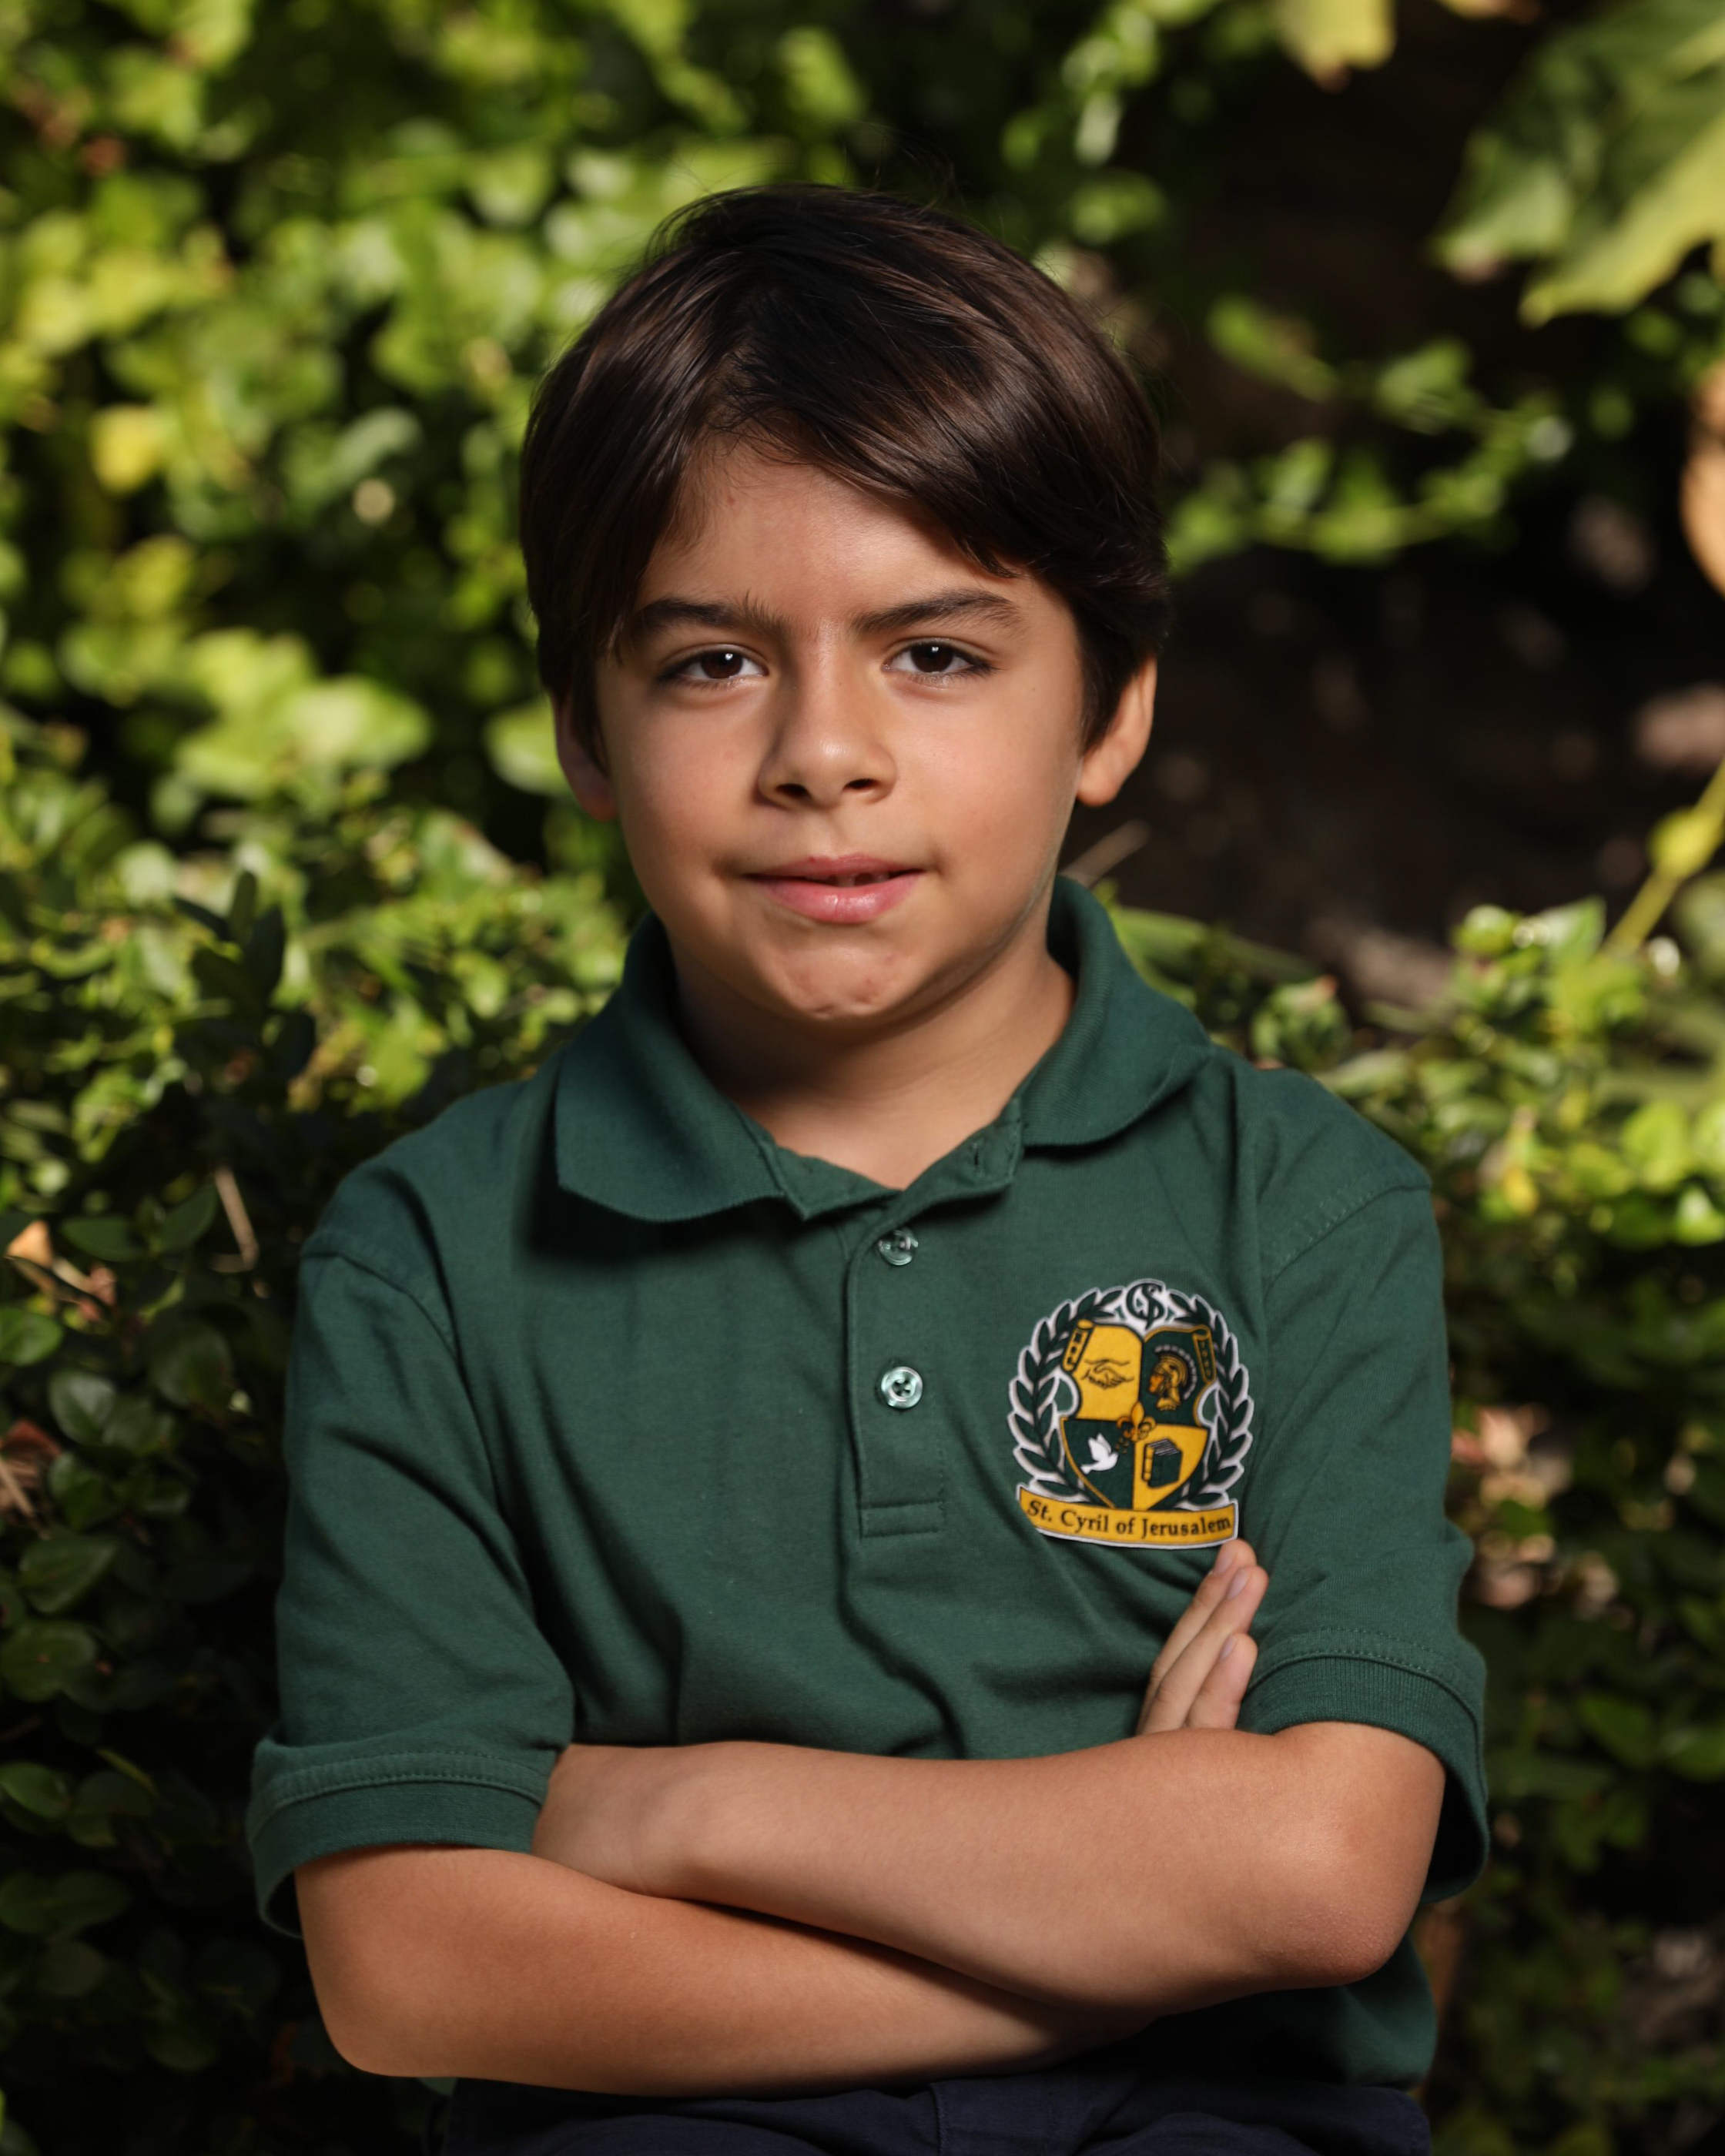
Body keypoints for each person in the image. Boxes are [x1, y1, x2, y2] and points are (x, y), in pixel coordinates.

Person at [248, 185, 1487, 2156]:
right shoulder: (435, 1257)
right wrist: (1136, 1912)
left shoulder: (1302, 1203)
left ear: (1112, 707)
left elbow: (1320, 1872)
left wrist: (675, 1806)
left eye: (932, 651)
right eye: (711, 664)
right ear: (584, 728)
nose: (824, 752)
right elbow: (410, 1962)